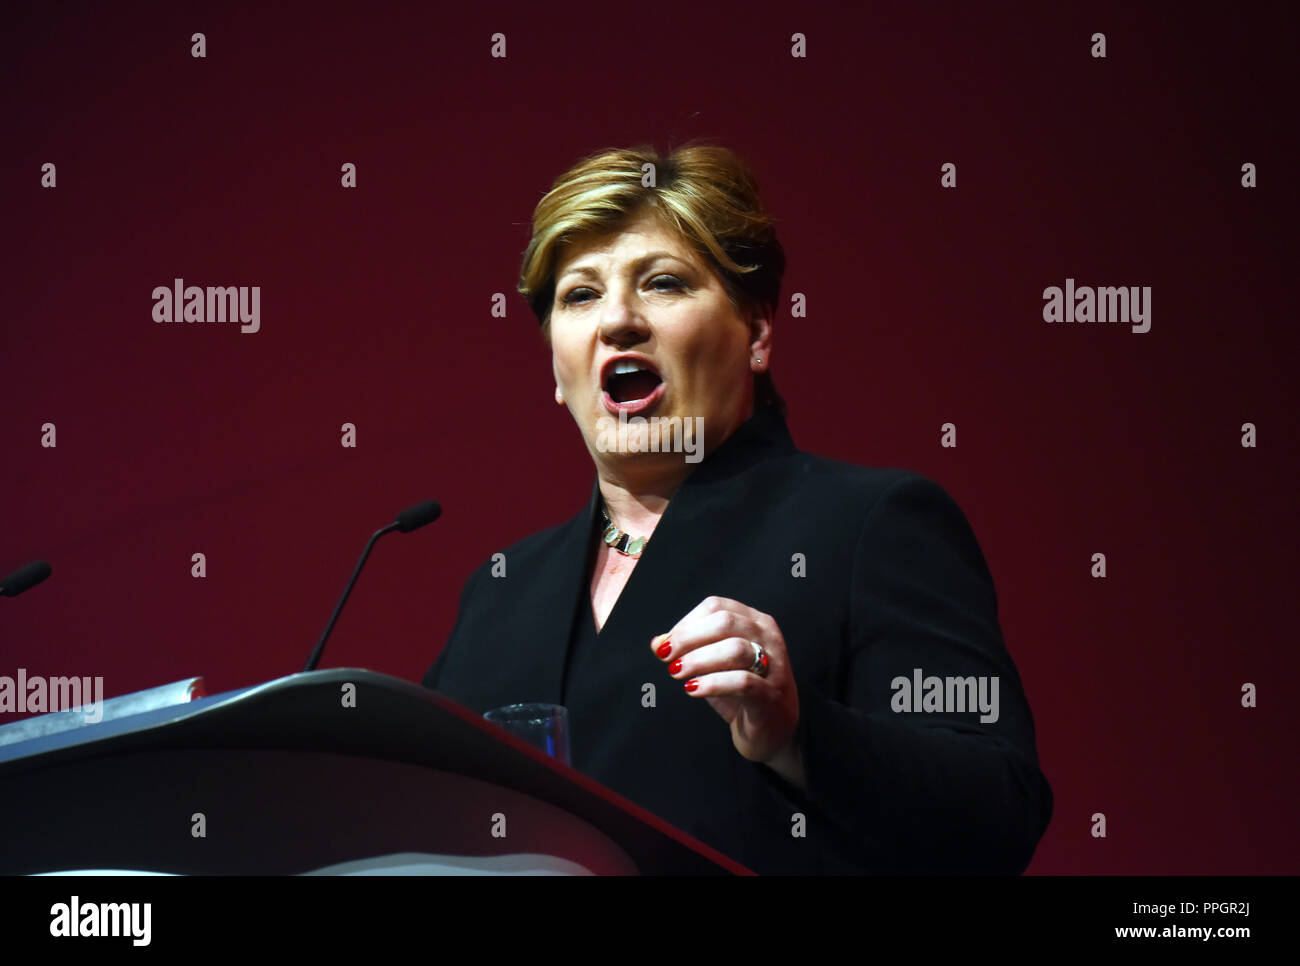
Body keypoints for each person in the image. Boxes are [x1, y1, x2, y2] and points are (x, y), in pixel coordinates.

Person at [424, 141, 1053, 874]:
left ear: (756, 335)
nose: (616, 320)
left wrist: (798, 733)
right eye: (580, 295)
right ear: (557, 372)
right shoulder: (501, 591)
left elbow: (1000, 808)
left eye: (661, 283)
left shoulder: (867, 524)